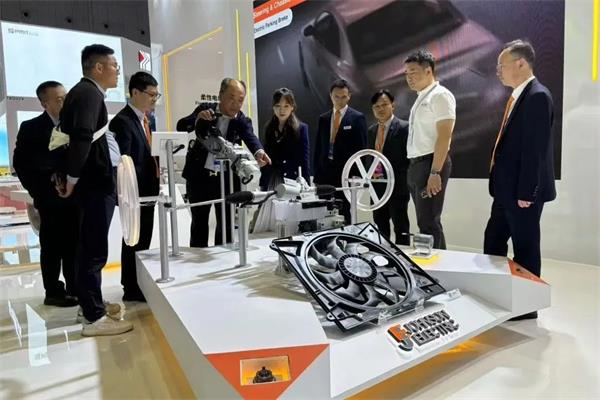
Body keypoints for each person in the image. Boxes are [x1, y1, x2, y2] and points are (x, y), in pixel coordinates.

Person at [58, 44, 133, 336]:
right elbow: (82, 138)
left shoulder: (85, 93)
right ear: (98, 67)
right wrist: (72, 177)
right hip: (94, 183)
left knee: (88, 246)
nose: (117, 71)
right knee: (93, 249)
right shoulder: (88, 94)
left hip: (92, 183)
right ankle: (93, 317)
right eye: (114, 66)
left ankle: (90, 304)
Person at [484, 40, 555, 320]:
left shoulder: (537, 96)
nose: (498, 71)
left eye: (502, 65)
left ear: (521, 63)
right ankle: (498, 294)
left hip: (522, 193)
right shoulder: (518, 96)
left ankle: (526, 306)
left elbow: (535, 150)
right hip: (505, 191)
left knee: (525, 248)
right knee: (493, 241)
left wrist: (527, 192)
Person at [177, 78, 271, 247]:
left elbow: (250, 136)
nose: (236, 104)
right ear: (220, 95)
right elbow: (181, 126)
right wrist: (197, 118)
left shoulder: (241, 119)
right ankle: (198, 259)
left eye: (240, 100)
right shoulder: (205, 109)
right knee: (199, 223)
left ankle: (223, 257)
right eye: (231, 98)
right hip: (199, 177)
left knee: (226, 226)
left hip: (226, 180)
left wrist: (259, 151)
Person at [13, 81, 78, 307]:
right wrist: (38, 190)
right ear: (44, 103)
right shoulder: (31, 128)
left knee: (74, 244)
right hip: (49, 199)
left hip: (75, 198)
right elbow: (21, 164)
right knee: (51, 247)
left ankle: (75, 287)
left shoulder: (75, 125)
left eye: (66, 98)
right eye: (59, 100)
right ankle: (53, 291)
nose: (65, 103)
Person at [110, 71, 161, 302]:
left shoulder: (146, 120)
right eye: (151, 94)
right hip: (134, 192)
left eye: (156, 95)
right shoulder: (122, 121)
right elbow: (124, 162)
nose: (154, 99)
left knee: (144, 239)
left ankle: (139, 282)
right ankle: (130, 287)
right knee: (133, 239)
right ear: (135, 93)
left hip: (149, 190)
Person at [405, 50, 456, 249]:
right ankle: (433, 262)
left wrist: (435, 172)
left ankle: (440, 264)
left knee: (429, 222)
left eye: (413, 72)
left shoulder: (440, 95)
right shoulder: (421, 97)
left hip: (431, 164)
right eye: (407, 73)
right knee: (424, 221)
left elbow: (444, 137)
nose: (409, 77)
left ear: (428, 71)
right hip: (417, 165)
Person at [253, 88, 310, 232]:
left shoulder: (301, 128)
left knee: (290, 224)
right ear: (273, 107)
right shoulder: (269, 128)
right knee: (270, 225)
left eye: (286, 106)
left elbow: (304, 159)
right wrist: (263, 183)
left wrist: (306, 185)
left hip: (292, 181)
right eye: (278, 106)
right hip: (273, 181)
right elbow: (266, 157)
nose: (282, 110)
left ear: (292, 107)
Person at [313, 79, 367, 223]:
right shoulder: (323, 119)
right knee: (323, 211)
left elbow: (361, 149)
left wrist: (357, 176)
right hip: (325, 173)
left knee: (344, 211)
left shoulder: (357, 118)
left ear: (349, 96)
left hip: (346, 174)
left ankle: (346, 236)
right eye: (336, 96)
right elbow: (318, 148)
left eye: (343, 97)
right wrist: (316, 176)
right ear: (331, 96)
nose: (339, 100)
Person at [368, 90, 411, 245]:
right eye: (376, 106)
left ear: (393, 105)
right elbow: (369, 157)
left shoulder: (404, 127)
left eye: (384, 104)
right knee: (380, 225)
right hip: (376, 185)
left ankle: (403, 257)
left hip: (397, 185)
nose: (380, 109)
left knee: (401, 225)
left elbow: (409, 158)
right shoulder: (371, 130)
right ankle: (383, 255)